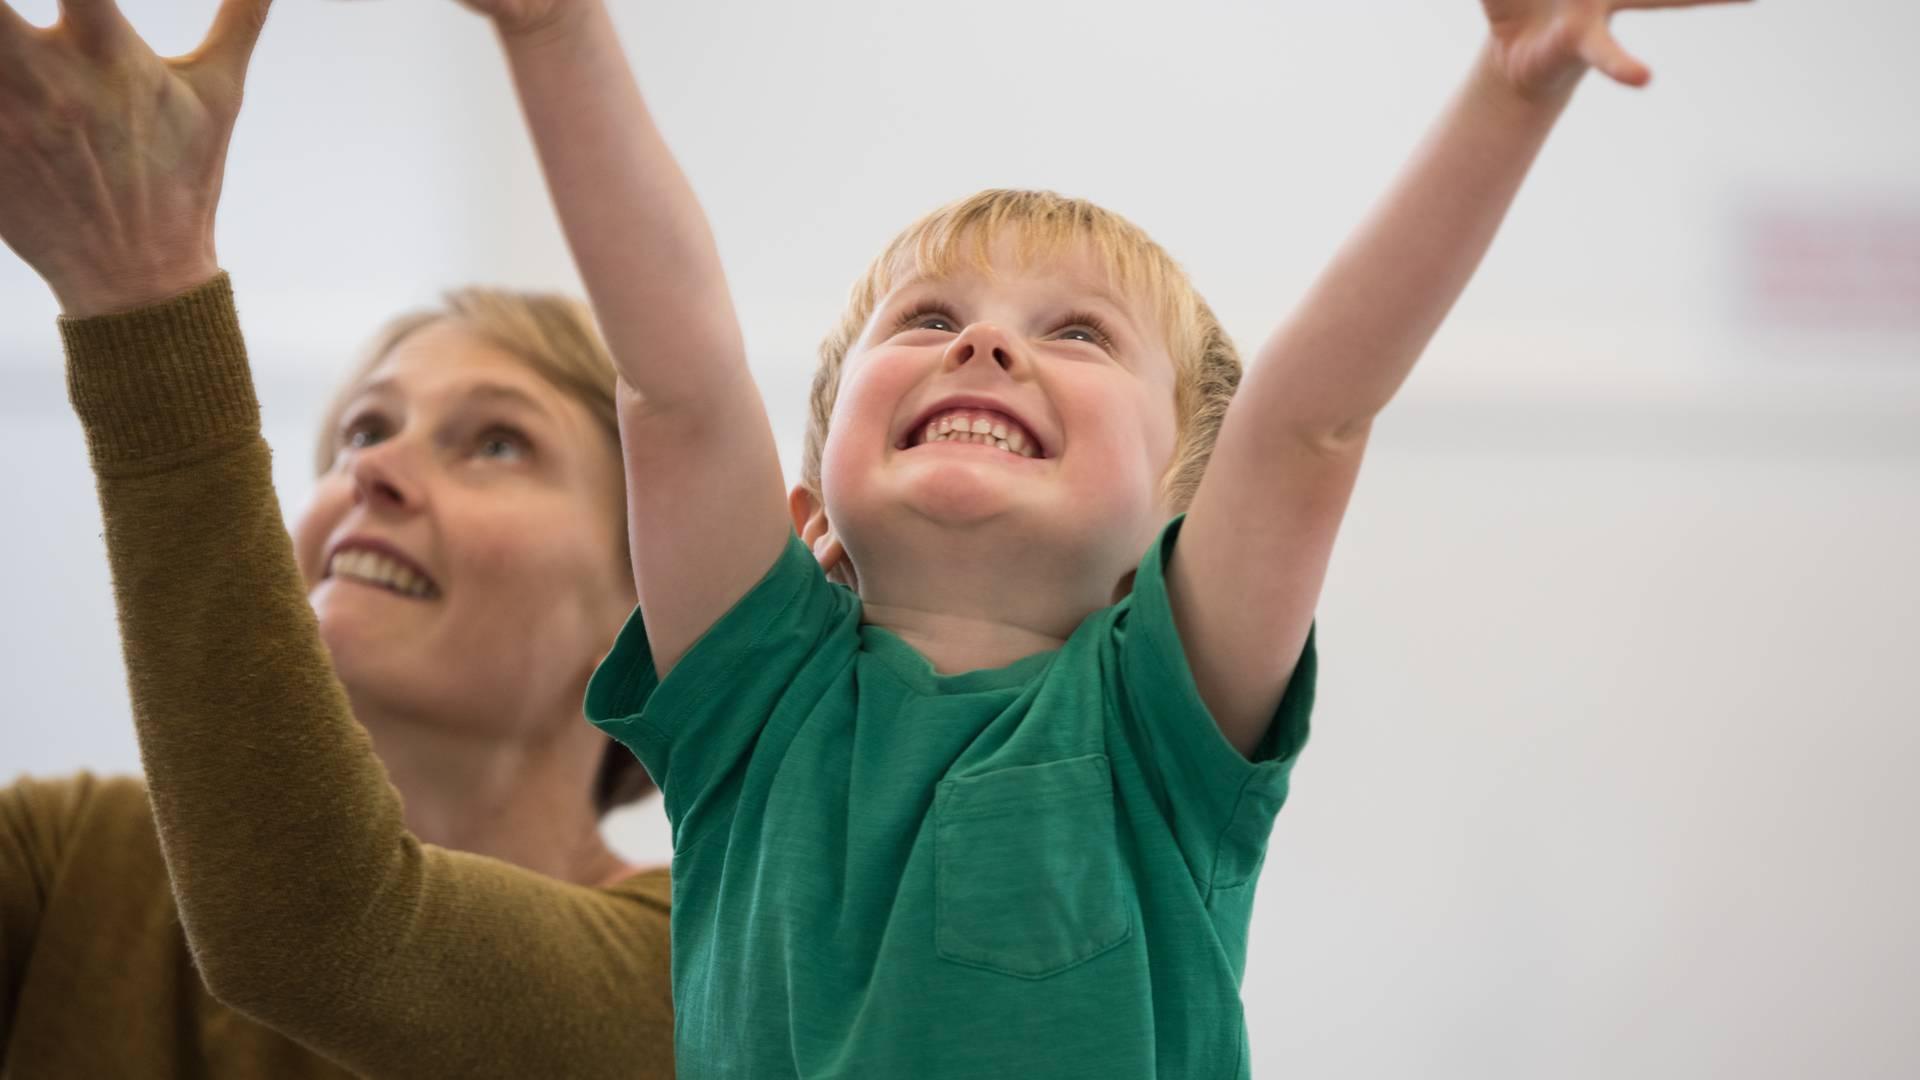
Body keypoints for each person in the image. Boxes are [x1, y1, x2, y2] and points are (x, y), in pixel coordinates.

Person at [448, 0, 1746, 1076]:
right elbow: (674, 381)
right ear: (811, 521)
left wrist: (1508, 97)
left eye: (1077, 334)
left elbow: (1309, 424)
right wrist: (556, 34)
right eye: (927, 318)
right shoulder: (756, 696)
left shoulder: (1158, 718)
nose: (985, 341)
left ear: (1179, 524)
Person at [0, 3, 674, 1077]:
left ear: (646, 625)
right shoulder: (77, 857)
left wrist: (143, 290)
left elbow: (327, 933)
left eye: (496, 442)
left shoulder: (705, 975)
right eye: (363, 428)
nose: (371, 469)